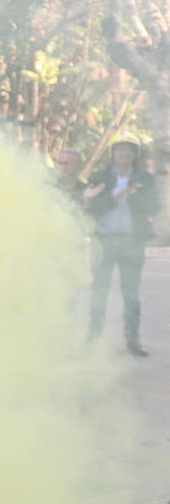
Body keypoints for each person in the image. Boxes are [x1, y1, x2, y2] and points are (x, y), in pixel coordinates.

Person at [84, 134, 160, 356]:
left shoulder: (145, 178)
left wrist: (135, 196)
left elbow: (154, 207)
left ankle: (132, 340)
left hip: (132, 242)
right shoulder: (99, 177)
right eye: (120, 149)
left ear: (135, 155)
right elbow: (93, 208)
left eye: (129, 149)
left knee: (131, 294)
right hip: (104, 241)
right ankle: (94, 337)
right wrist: (116, 197)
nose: (124, 153)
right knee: (99, 291)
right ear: (112, 153)